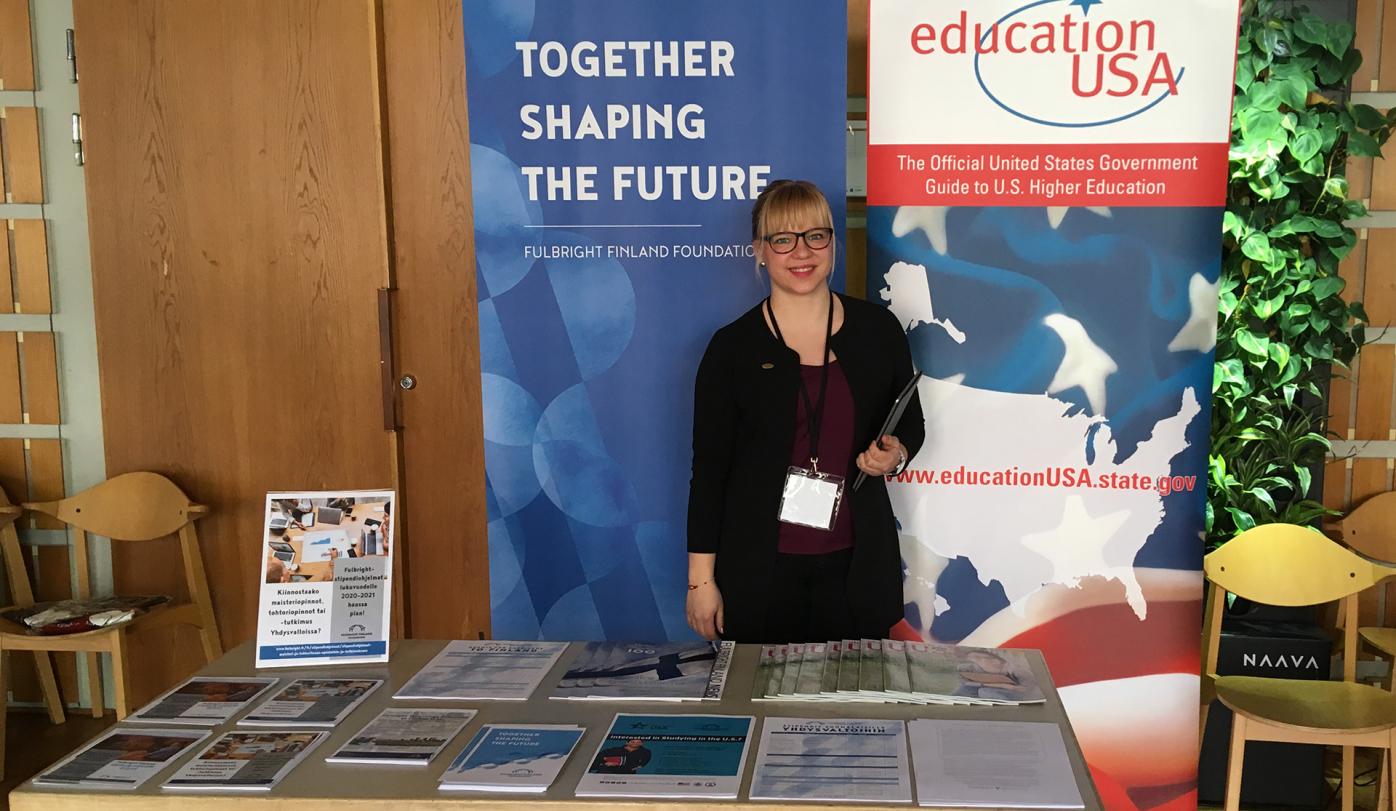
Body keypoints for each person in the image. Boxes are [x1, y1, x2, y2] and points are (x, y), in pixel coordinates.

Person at [686, 179, 923, 644]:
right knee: (759, 708)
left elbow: (909, 420)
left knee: (853, 712)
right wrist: (701, 582)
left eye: (816, 236)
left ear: (833, 243)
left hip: (857, 570)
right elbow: (709, 473)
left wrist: (894, 454)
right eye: (783, 239)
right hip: (759, 575)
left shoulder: (878, 331)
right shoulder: (732, 349)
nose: (802, 252)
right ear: (759, 250)